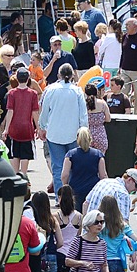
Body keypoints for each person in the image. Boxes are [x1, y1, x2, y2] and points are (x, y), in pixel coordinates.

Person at [39, 64, 88, 193]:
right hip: (73, 134)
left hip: (54, 133)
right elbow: (83, 114)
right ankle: (72, 195)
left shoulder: (51, 90)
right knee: (73, 166)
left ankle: (60, 197)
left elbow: (44, 112)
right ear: (72, 75)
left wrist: (42, 127)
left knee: (58, 166)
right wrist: (84, 130)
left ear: (58, 75)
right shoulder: (77, 91)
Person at [3, 67, 40, 173]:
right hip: (27, 128)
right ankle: (24, 175)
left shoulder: (12, 93)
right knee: (25, 153)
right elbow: (35, 112)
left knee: (15, 153)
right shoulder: (33, 94)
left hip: (14, 128)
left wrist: (6, 129)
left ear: (17, 79)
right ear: (28, 79)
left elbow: (10, 111)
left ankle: (15, 176)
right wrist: (38, 127)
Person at [61, 127, 107, 209]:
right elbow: (103, 175)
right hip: (93, 190)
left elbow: (65, 175)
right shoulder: (98, 155)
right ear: (90, 138)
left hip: (75, 190)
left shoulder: (70, 155)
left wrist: (65, 186)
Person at [84, 82, 110, 152]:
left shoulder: (83, 104)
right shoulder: (102, 103)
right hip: (100, 134)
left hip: (87, 135)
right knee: (100, 159)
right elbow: (108, 119)